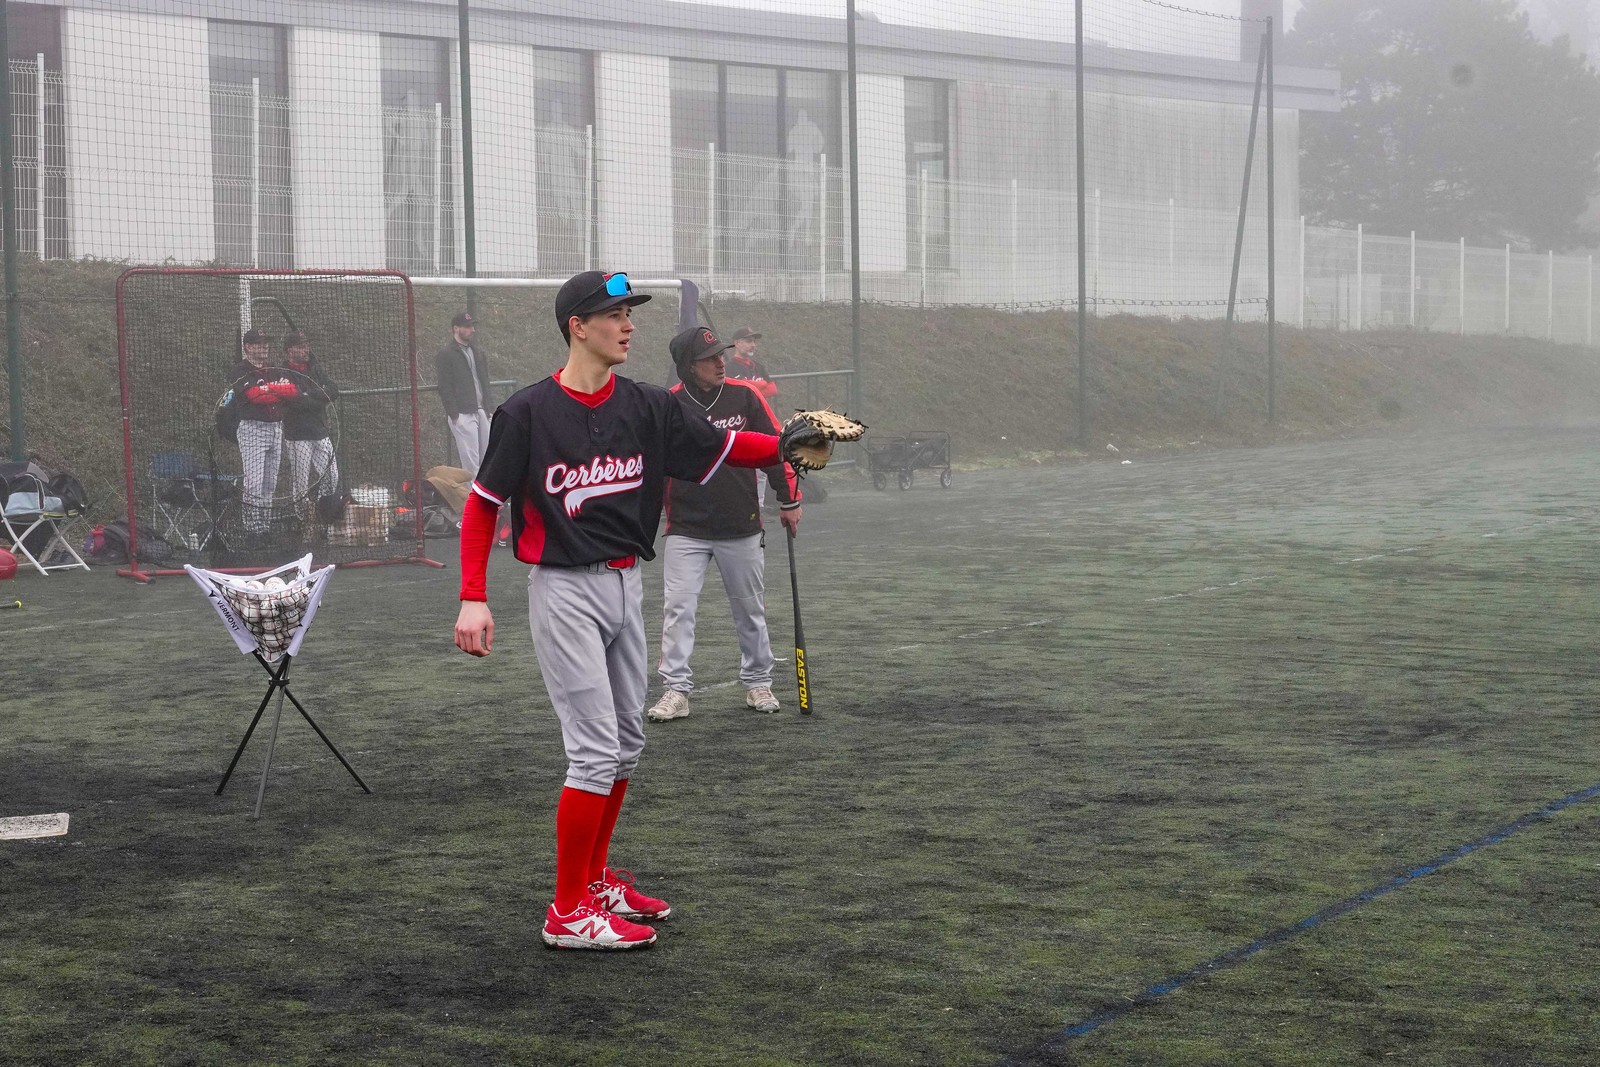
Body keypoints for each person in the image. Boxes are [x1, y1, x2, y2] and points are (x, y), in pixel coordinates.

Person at [452, 270, 792, 952]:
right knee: (593, 753)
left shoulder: (646, 405)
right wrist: (473, 595)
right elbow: (484, 504)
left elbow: (725, 446)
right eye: (614, 314)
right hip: (564, 589)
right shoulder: (526, 412)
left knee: (627, 744)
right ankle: (566, 911)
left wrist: (788, 445)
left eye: (629, 313)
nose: (628, 324)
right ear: (578, 326)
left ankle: (595, 881)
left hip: (624, 584)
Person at [646, 326, 800, 723]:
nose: (721, 362)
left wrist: (788, 499)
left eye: (721, 354)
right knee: (678, 609)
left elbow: (775, 445)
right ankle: (676, 690)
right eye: (710, 358)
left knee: (750, 609)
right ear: (688, 366)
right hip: (685, 526)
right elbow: (653, 465)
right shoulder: (670, 404)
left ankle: (758, 681)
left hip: (740, 523)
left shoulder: (744, 395)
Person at [226, 328, 295, 539]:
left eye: (266, 343)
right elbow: (254, 396)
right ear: (248, 347)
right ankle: (251, 529)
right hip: (253, 429)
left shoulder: (273, 369)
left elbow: (291, 391)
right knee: (254, 483)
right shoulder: (240, 370)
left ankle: (264, 528)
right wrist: (275, 390)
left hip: (276, 428)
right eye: (259, 343)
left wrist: (269, 390)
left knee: (269, 483)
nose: (264, 347)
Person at [280, 331, 341, 522]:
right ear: (289, 350)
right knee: (301, 481)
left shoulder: (314, 367)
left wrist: (311, 394)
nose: (306, 350)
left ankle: (324, 512)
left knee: (331, 475)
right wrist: (317, 396)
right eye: (301, 347)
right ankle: (303, 519)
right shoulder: (283, 372)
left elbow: (333, 390)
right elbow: (295, 401)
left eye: (306, 346)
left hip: (320, 430)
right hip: (297, 434)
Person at [435, 310, 492, 474]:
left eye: (472, 326)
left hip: (482, 411)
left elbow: (485, 382)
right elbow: (444, 386)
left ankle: (485, 491)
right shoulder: (445, 355)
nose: (472, 330)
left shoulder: (478, 352)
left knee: (488, 459)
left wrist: (489, 409)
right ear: (456, 328)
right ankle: (472, 492)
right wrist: (454, 414)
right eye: (467, 326)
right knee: (471, 463)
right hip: (463, 413)